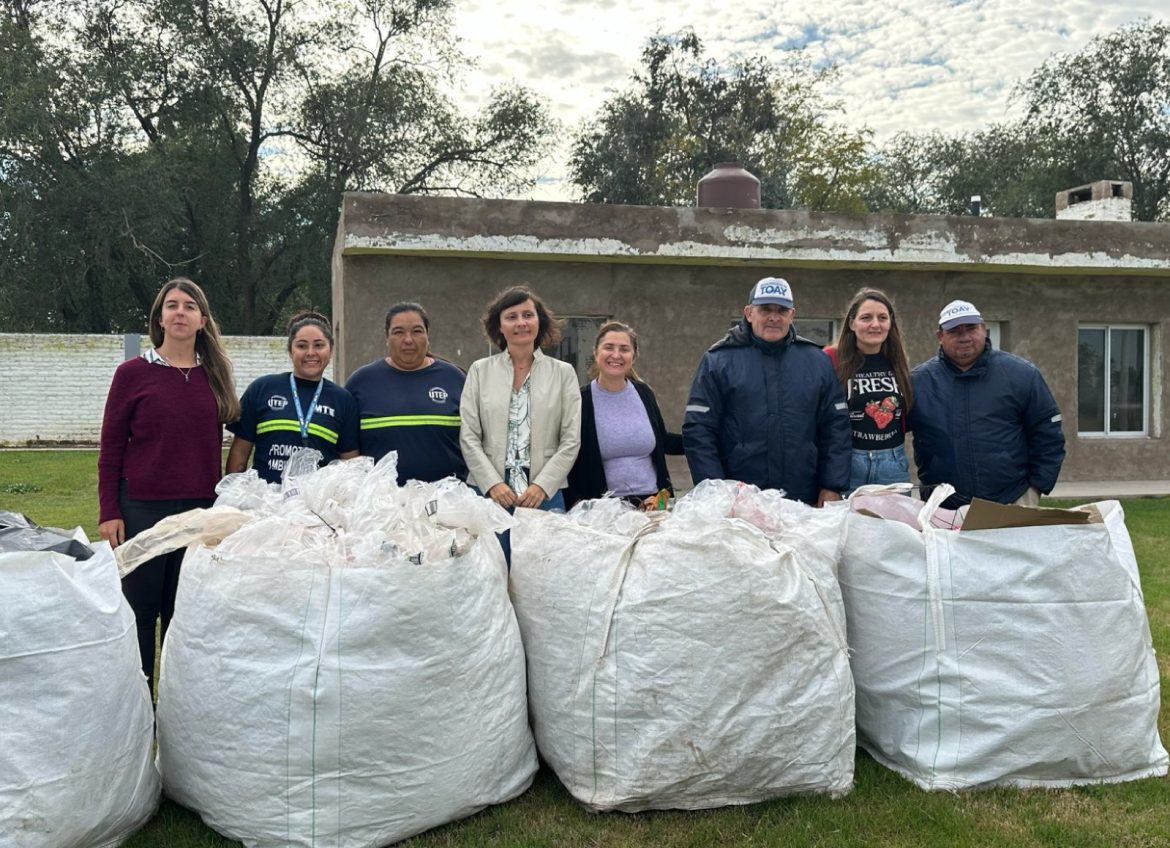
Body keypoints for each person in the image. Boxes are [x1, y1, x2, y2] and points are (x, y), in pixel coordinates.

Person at [98, 277, 240, 694]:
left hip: (198, 512)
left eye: (189, 306)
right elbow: (110, 448)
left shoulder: (214, 377)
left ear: (202, 319)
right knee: (140, 612)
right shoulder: (132, 374)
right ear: (159, 318)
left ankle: (180, 707)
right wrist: (110, 511)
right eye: (172, 305)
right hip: (141, 508)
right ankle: (141, 707)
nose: (180, 312)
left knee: (184, 613)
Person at [683, 276, 851, 507]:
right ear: (749, 313)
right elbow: (699, 430)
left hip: (803, 497)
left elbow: (836, 428)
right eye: (765, 310)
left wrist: (832, 486)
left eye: (781, 310)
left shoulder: (816, 361)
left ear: (792, 315)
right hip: (738, 500)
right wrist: (716, 491)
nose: (773, 317)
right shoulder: (718, 361)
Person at [908, 299, 1066, 507]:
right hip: (943, 507)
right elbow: (888, 433)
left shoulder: (1022, 375)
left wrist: (1036, 487)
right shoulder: (917, 382)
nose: (964, 336)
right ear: (940, 336)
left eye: (971, 328)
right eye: (955, 330)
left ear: (984, 329)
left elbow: (1048, 433)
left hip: (1012, 500)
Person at [460, 285, 581, 513]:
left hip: (544, 491)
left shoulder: (563, 373)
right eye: (511, 317)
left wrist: (542, 486)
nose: (521, 323)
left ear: (539, 321)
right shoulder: (479, 371)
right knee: (491, 550)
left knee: (542, 550)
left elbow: (571, 439)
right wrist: (493, 484)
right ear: (499, 326)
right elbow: (469, 437)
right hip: (490, 491)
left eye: (528, 315)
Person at [226, 311, 360, 483]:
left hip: (315, 506)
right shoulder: (262, 389)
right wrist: (231, 494)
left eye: (319, 345)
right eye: (302, 346)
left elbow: (350, 464)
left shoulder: (343, 400)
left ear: (331, 350)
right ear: (290, 350)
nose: (310, 352)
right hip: (266, 502)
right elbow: (240, 452)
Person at [344, 302, 467, 484]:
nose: (408, 340)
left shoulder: (455, 379)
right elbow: (348, 451)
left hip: (446, 501)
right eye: (398, 332)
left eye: (417, 331)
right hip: (382, 503)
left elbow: (476, 440)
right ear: (387, 338)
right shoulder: (361, 382)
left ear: (428, 337)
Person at [565, 321, 683, 509]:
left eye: (624, 349)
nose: (616, 355)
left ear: (633, 357)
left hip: (653, 503)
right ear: (596, 353)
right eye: (609, 347)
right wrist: (576, 502)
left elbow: (663, 440)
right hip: (603, 508)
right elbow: (568, 454)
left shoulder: (644, 393)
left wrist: (706, 439)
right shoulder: (580, 400)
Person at [824, 288, 914, 495]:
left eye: (882, 318)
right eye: (866, 317)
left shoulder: (897, 361)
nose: (875, 324)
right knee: (848, 527)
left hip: (892, 463)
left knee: (895, 528)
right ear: (852, 323)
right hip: (847, 464)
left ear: (890, 324)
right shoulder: (830, 359)